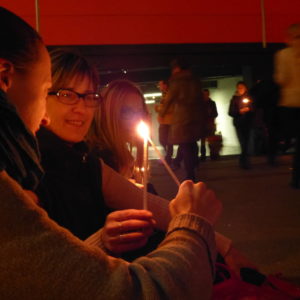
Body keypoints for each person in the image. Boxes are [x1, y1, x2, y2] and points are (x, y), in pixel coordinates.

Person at [0, 7, 222, 299]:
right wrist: (194, 225)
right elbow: (143, 291)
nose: (43, 119)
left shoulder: (82, 162)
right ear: (4, 78)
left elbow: (57, 274)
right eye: (50, 92)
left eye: (90, 96)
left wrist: (223, 245)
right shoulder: (22, 181)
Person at [161, 58, 205, 180]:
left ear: (178, 68)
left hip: (182, 117)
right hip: (195, 117)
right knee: (192, 144)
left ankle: (190, 175)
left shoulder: (177, 80)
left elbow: (169, 98)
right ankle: (194, 166)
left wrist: (162, 112)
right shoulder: (195, 80)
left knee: (185, 146)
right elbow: (201, 98)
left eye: (174, 68)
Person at [274, 23, 300, 188]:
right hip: (293, 103)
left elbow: (281, 79)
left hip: (291, 104)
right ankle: (296, 178)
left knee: (298, 142)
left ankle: (296, 179)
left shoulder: (283, 55)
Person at [228, 81, 255, 169]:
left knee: (246, 143)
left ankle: (244, 161)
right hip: (239, 124)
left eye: (242, 87)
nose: (240, 89)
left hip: (247, 123)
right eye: (238, 87)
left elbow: (253, 108)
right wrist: (239, 111)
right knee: (243, 142)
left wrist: (249, 109)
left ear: (245, 88)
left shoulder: (249, 97)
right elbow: (230, 112)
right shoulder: (234, 99)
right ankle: (244, 161)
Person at [155, 79, 174, 165]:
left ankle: (168, 158)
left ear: (165, 85)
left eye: (160, 85)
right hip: (163, 122)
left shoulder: (170, 94)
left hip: (168, 122)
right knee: (163, 140)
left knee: (167, 140)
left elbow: (170, 108)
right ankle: (168, 157)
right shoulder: (164, 95)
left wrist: (158, 109)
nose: (159, 87)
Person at [200, 89, 218, 161]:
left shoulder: (212, 103)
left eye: (206, 94)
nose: (205, 96)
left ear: (208, 94)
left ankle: (212, 155)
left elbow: (215, 113)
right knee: (203, 141)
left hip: (209, 124)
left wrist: (210, 115)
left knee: (210, 141)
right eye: (204, 94)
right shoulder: (200, 104)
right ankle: (203, 156)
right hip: (203, 125)